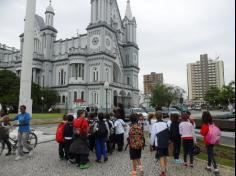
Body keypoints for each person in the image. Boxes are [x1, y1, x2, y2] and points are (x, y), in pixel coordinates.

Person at [150, 112, 170, 176]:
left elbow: (153, 135)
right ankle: (165, 168)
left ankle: (163, 172)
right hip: (166, 142)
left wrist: (151, 144)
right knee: (165, 156)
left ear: (156, 117)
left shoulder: (155, 125)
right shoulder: (165, 124)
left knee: (161, 157)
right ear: (162, 116)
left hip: (159, 143)